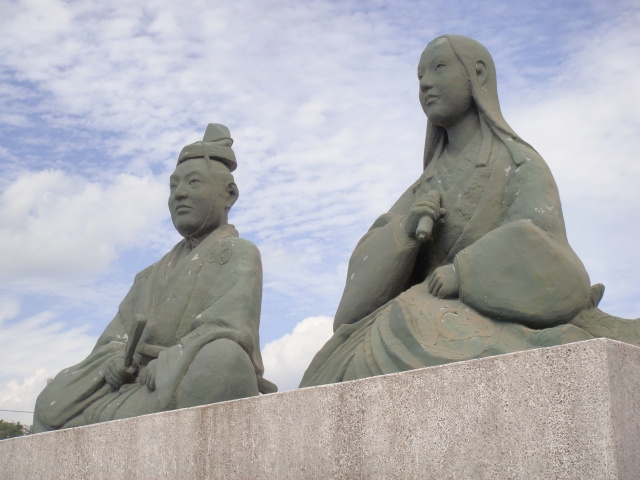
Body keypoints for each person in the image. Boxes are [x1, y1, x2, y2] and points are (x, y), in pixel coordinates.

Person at [300, 35, 640, 388]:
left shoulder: (520, 165)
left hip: (479, 313)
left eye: (439, 68)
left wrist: (465, 274)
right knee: (343, 358)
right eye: (420, 76)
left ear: (477, 74)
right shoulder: (423, 187)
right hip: (419, 311)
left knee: (405, 328)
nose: (425, 83)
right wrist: (404, 232)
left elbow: (547, 253)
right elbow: (352, 308)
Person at [34, 124, 276, 432]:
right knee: (52, 398)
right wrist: (116, 362)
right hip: (135, 384)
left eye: (194, 182)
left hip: (180, 377)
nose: (180, 194)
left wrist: (169, 361)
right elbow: (114, 340)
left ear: (229, 194)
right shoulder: (148, 276)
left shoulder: (238, 253)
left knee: (224, 360)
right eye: (173, 186)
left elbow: (229, 329)